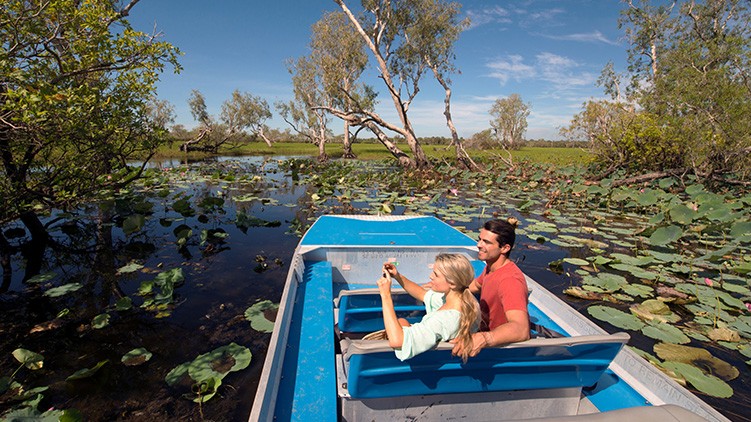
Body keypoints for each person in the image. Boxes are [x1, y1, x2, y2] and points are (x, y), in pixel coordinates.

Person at [376, 253, 480, 362]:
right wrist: (397, 276)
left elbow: (397, 341)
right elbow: (422, 294)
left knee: (399, 324)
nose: (431, 276)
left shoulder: (443, 320)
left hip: (424, 364)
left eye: (436, 274)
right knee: (401, 321)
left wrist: (386, 295)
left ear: (452, 283)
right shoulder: (465, 302)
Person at [451, 217, 530, 358]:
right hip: (480, 327)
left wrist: (484, 338)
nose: (478, 245)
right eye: (480, 239)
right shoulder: (491, 266)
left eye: (486, 242)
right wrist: (447, 287)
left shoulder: (510, 281)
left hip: (496, 348)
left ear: (505, 248)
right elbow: (474, 285)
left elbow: (521, 329)